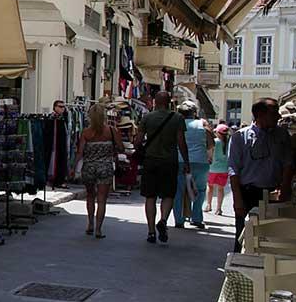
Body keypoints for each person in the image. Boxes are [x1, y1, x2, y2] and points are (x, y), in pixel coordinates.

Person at [229, 97, 294, 251]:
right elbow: (233, 170)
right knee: (243, 236)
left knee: (271, 237)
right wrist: (237, 199)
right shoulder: (240, 137)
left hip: (274, 194)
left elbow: (288, 163)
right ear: (260, 114)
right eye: (274, 113)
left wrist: (284, 188)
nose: (278, 116)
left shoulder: (282, 136)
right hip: (248, 193)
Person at [137, 91, 190, 244]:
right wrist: (186, 162)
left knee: (150, 196)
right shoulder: (177, 118)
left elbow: (138, 141)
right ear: (169, 102)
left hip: (150, 161)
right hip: (169, 161)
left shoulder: (147, 117)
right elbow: (181, 142)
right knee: (168, 195)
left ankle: (151, 231)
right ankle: (164, 220)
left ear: (155, 102)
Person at [74, 103, 124, 238]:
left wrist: (74, 167)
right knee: (102, 199)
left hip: (89, 167)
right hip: (105, 167)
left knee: (90, 196)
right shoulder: (112, 131)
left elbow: (80, 152)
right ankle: (98, 229)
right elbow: (121, 148)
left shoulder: (86, 132)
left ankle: (90, 224)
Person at [172, 101, 213, 230]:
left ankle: (179, 220)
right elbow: (211, 143)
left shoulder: (176, 124)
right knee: (200, 191)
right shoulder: (203, 124)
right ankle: (196, 218)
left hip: (179, 161)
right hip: (200, 161)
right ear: (194, 113)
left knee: (178, 191)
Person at [205, 123, 230, 216]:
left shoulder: (215, 142)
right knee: (220, 189)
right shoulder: (228, 143)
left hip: (212, 168)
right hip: (224, 169)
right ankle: (219, 208)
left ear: (218, 133)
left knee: (210, 187)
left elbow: (209, 152)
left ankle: (209, 205)